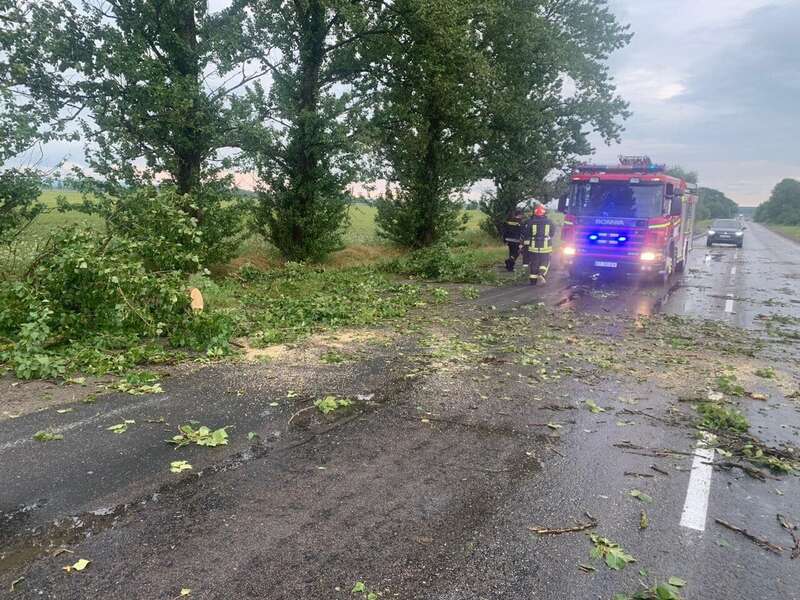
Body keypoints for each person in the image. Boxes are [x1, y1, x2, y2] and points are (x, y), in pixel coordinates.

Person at [523, 204, 556, 285]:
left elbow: (527, 233)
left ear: (535, 213)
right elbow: (552, 233)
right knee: (545, 261)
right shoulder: (550, 222)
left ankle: (533, 281)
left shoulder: (531, 222)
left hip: (533, 246)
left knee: (534, 262)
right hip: (545, 246)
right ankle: (541, 274)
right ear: (544, 213)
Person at [501, 206, 525, 272]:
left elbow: (504, 230)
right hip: (516, 240)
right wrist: (522, 241)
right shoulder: (520, 222)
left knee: (511, 252)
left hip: (508, 239)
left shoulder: (508, 221)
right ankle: (509, 261)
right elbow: (523, 232)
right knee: (516, 253)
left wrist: (504, 239)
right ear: (520, 215)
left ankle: (510, 267)